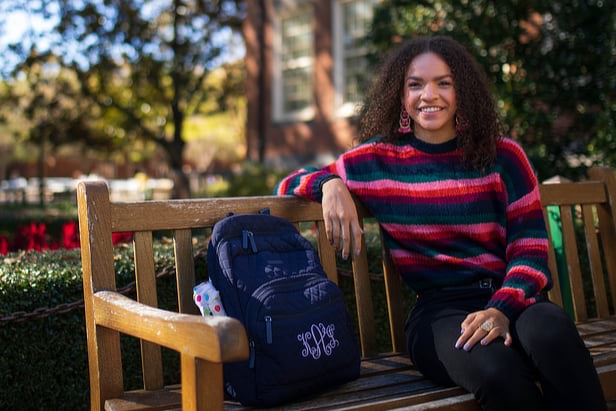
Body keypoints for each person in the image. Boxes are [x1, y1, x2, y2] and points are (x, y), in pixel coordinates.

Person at [275, 35, 606, 411]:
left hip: (515, 298)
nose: (428, 95)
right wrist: (330, 183)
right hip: (440, 313)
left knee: (552, 335)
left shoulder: (503, 156)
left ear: (462, 90)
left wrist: (501, 309)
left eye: (443, 83)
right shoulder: (378, 160)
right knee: (498, 371)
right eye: (415, 84)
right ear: (400, 95)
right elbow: (287, 183)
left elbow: (529, 251)